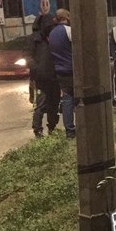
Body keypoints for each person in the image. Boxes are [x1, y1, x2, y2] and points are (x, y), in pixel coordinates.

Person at [26, 19, 60, 138]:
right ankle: (38, 130)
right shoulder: (34, 39)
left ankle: (52, 127)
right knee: (40, 105)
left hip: (53, 77)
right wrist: (37, 69)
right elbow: (28, 57)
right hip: (39, 79)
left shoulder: (52, 37)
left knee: (54, 104)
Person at [48, 8, 76, 139]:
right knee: (80, 99)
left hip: (59, 71)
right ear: (67, 17)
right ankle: (81, 126)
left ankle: (69, 131)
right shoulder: (69, 30)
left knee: (67, 100)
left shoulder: (52, 33)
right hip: (72, 70)